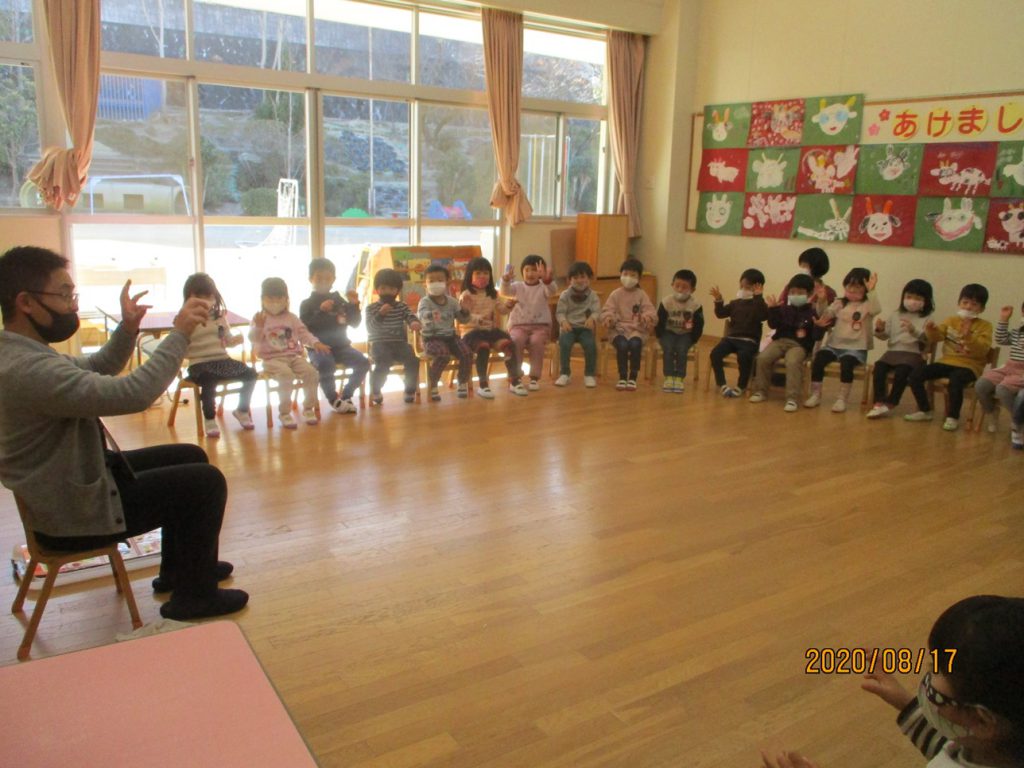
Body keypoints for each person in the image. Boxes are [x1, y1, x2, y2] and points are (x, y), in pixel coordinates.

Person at [0, 245, 248, 620]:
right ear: (26, 303)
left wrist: (127, 328)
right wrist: (180, 334)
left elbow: (96, 365)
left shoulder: (22, 353)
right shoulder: (28, 369)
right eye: (64, 295)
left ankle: (182, 571)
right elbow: (134, 393)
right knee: (206, 482)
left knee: (190, 456)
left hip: (72, 484)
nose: (71, 305)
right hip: (74, 512)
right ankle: (195, 597)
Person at [761, 595, 1024, 768]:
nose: (928, 678)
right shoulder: (990, 748)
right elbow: (945, 751)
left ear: (982, 720)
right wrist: (905, 702)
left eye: (936, 673)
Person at [905, 284, 993, 432]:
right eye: (965, 302)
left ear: (982, 309)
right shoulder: (951, 320)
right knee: (915, 375)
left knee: (956, 380)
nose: (968, 307)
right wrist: (931, 330)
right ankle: (925, 410)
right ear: (959, 303)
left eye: (974, 304)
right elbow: (936, 337)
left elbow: (982, 350)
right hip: (947, 361)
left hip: (970, 366)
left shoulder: (985, 326)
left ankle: (952, 417)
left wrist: (968, 336)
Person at [179, 273, 257, 437]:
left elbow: (226, 340)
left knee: (250, 374)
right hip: (199, 364)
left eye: (209, 296)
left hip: (222, 360)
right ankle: (209, 419)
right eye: (200, 297)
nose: (206, 301)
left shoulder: (219, 317)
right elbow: (180, 345)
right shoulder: (186, 318)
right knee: (209, 379)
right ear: (190, 298)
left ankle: (242, 410)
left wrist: (234, 340)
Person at [250, 277, 330, 429]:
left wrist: (315, 343)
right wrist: (258, 327)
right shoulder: (260, 318)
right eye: (270, 298)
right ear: (262, 299)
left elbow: (304, 334)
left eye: (279, 298)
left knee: (311, 373)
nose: (275, 302)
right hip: (271, 359)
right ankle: (284, 413)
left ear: (286, 299)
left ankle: (308, 408)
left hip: (293, 356)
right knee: (286, 375)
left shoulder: (291, 317)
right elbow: (253, 339)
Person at [299, 257, 370, 415]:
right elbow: (304, 328)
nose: (323, 281)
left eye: (328, 278)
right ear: (311, 279)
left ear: (334, 279)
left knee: (364, 363)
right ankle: (333, 399)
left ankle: (346, 395)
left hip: (342, 347)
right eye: (319, 278)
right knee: (326, 364)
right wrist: (320, 311)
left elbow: (355, 323)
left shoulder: (340, 300)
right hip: (318, 348)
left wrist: (354, 305)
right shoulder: (306, 304)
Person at [805, 268, 882, 413]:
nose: (852, 289)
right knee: (819, 359)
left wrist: (872, 292)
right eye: (849, 285)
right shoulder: (840, 303)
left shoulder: (867, 304)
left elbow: (876, 309)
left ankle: (842, 399)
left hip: (856, 348)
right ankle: (816, 394)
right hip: (834, 345)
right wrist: (822, 300)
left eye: (857, 286)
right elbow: (825, 314)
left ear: (865, 288)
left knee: (847, 364)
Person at [457, 257, 527, 398]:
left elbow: (502, 311)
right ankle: (483, 385)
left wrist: (509, 305)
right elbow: (463, 317)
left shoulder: (493, 294)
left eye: (486, 273)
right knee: (483, 347)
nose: (482, 276)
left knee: (508, 344)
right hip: (471, 333)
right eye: (478, 273)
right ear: (470, 275)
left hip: (490, 332)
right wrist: (478, 319)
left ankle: (514, 380)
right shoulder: (466, 295)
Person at [867, 279, 934, 419]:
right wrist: (879, 329)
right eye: (909, 296)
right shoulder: (895, 314)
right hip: (893, 352)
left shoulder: (928, 318)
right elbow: (885, 336)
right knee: (879, 367)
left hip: (913, 354)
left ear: (926, 301)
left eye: (918, 298)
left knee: (902, 371)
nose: (912, 301)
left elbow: (927, 339)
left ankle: (892, 402)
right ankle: (879, 401)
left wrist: (913, 330)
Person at [749, 273, 817, 411]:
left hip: (798, 345)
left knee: (792, 362)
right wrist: (773, 309)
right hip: (780, 341)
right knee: (762, 358)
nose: (795, 295)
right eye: (792, 292)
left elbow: (815, 335)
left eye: (800, 293)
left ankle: (792, 398)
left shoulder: (812, 312)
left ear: (809, 294)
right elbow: (773, 324)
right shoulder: (783, 308)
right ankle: (761, 391)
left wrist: (819, 327)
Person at [364, 268, 421, 405]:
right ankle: (376, 389)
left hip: (399, 343)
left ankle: (409, 389)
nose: (387, 292)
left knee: (413, 360)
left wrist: (414, 322)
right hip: (379, 344)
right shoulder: (371, 308)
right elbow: (370, 328)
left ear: (397, 290)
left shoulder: (401, 306)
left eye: (391, 289)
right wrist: (380, 314)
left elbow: (410, 316)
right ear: (377, 290)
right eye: (383, 288)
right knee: (384, 361)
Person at [501, 254, 558, 390]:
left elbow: (552, 291)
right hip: (518, 326)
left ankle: (534, 378)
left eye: (534, 270)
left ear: (541, 272)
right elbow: (504, 291)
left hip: (540, 327)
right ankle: (516, 376)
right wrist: (506, 280)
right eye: (527, 270)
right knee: (516, 340)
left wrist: (547, 279)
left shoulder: (543, 287)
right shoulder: (517, 286)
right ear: (522, 272)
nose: (530, 273)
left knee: (536, 342)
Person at [709, 268, 769, 397]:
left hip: (749, 342)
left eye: (747, 287)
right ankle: (722, 384)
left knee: (744, 357)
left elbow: (763, 315)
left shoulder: (758, 304)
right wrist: (718, 300)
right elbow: (720, 314)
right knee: (715, 353)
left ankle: (741, 386)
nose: (743, 289)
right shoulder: (735, 303)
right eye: (741, 286)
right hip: (731, 339)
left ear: (758, 288)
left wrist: (758, 297)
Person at [600, 257, 658, 390]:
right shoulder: (615, 294)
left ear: (639, 278)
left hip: (637, 330)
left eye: (633, 275)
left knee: (635, 344)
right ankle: (622, 376)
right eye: (625, 274)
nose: (628, 278)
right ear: (620, 274)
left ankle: (633, 377)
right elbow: (607, 310)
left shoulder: (641, 294)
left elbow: (650, 311)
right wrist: (609, 318)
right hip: (618, 330)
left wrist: (646, 318)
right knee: (622, 345)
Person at [418, 263, 472, 401]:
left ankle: (462, 381)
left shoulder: (452, 302)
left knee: (467, 353)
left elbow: (464, 320)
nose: (436, 283)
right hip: (431, 338)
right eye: (431, 281)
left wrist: (465, 310)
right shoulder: (424, 302)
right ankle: (433, 383)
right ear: (425, 285)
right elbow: (422, 316)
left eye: (440, 280)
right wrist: (431, 314)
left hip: (450, 337)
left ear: (447, 283)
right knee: (443, 354)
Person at [974, 301, 1024, 434]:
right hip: (1009, 367)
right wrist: (1004, 319)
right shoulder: (1018, 332)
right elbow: (1001, 339)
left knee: (1002, 389)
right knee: (981, 385)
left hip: (1022, 372)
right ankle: (992, 411)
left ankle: (1018, 419)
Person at [655, 268, 704, 394]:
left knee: (682, 350)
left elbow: (699, 324)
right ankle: (669, 376)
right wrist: (659, 335)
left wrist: (694, 338)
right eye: (677, 286)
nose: (680, 290)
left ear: (692, 289)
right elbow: (659, 319)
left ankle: (679, 378)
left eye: (685, 287)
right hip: (668, 332)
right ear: (672, 285)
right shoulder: (666, 302)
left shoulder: (695, 305)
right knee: (669, 349)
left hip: (686, 334)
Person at [554, 260, 601, 388]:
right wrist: (563, 322)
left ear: (589, 278)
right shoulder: (565, 295)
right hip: (569, 328)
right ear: (569, 280)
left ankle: (589, 374)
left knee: (590, 345)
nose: (579, 280)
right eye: (575, 278)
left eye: (583, 277)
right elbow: (560, 312)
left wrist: (592, 318)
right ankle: (565, 373)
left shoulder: (593, 296)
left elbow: (597, 311)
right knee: (564, 344)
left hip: (585, 328)